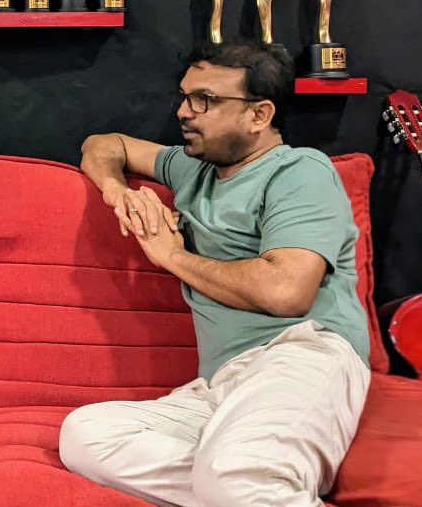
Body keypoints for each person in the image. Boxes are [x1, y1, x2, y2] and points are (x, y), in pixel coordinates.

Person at [64, 42, 371, 506]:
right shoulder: (192, 169)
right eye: (185, 97)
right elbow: (105, 144)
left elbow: (286, 292)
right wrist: (117, 192)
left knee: (230, 476)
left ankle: (241, 481)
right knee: (86, 436)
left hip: (302, 355)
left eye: (204, 100)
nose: (184, 112)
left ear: (259, 115)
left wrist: (172, 257)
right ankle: (253, 485)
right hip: (221, 382)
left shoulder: (300, 171)